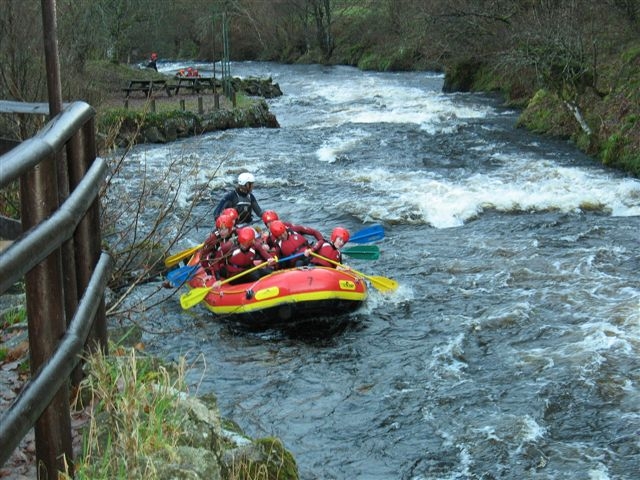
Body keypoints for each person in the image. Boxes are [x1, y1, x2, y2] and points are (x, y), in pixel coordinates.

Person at [211, 226, 276, 285]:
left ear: (251, 241)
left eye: (247, 244)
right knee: (255, 275)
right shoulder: (228, 246)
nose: (244, 246)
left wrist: (270, 259)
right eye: (242, 244)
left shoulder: (255, 245)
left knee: (269, 272)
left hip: (248, 269)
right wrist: (218, 279)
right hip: (234, 275)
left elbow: (265, 255)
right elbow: (216, 261)